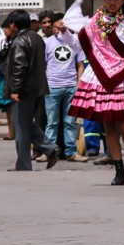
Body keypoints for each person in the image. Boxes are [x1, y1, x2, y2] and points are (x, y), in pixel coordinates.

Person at [67, 0, 124, 185]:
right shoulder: (95, 22)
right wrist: (69, 32)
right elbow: (80, 45)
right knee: (108, 126)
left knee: (123, 124)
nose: (112, 2)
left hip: (122, 76)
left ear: (122, 0)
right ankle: (119, 169)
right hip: (101, 77)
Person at [4, 9, 60, 171]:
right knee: (26, 124)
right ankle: (50, 148)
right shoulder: (36, 38)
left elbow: (19, 67)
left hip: (24, 91)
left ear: (14, 24)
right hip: (37, 88)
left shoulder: (20, 41)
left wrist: (15, 89)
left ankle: (25, 163)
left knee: (21, 127)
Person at [43, 13, 87, 162]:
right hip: (52, 87)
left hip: (70, 87)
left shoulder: (73, 42)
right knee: (52, 122)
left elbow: (80, 65)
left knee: (70, 122)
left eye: (62, 26)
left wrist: (79, 83)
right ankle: (49, 152)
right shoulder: (47, 43)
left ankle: (71, 151)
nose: (59, 29)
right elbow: (43, 65)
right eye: (56, 26)